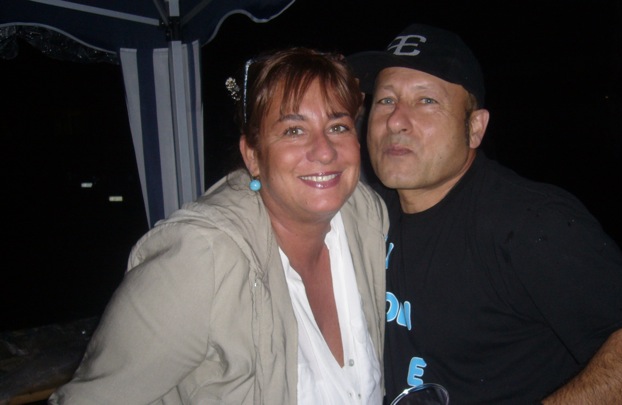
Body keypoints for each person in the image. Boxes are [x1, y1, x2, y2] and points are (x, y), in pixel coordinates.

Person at [348, 24, 622, 404]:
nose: (396, 120)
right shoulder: (368, 213)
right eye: (386, 100)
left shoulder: (527, 222)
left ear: (475, 128)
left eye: (426, 100)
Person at [49, 47, 388, 404]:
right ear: (253, 156)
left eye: (338, 126)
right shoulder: (201, 258)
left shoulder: (366, 218)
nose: (324, 150)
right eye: (293, 130)